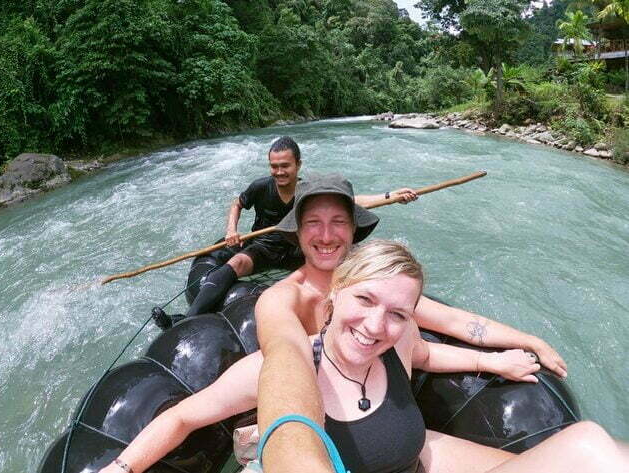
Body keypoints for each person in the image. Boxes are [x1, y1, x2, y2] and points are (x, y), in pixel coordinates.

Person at [97, 241, 628, 473]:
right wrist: (120, 467)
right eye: (365, 301)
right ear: (333, 297)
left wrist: (500, 361)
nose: (377, 326)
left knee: (588, 444)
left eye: (397, 313)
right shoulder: (282, 369)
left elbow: (427, 356)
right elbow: (187, 414)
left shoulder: (398, 340)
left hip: (415, 459)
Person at [253, 174, 569, 473]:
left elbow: (450, 323)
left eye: (338, 222)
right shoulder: (280, 300)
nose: (325, 235)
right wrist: (293, 454)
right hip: (330, 426)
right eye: (313, 223)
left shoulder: (380, 285)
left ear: (352, 231)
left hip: (391, 424)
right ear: (298, 232)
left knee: (575, 453)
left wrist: (528, 342)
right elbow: (286, 355)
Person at [155, 137, 418, 329]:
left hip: (297, 247)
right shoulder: (261, 187)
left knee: (342, 263)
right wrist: (231, 230)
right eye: (274, 166)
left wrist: (390, 196)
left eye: (285, 166)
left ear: (298, 165)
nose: (279, 172)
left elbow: (350, 201)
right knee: (237, 262)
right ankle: (187, 320)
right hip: (265, 246)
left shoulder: (307, 191)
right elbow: (237, 203)